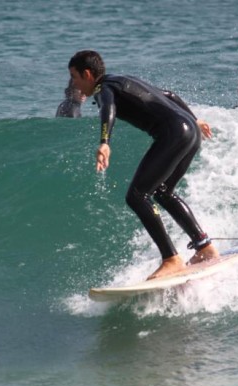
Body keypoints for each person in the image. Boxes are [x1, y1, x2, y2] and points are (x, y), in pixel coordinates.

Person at [67, 50, 219, 280]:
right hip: (189, 130)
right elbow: (170, 95)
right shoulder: (122, 80)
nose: (75, 85)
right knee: (163, 192)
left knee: (136, 196)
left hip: (174, 133)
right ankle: (204, 247)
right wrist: (195, 119)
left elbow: (108, 109)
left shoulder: (102, 89)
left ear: (88, 74)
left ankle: (171, 259)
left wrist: (105, 143)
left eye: (75, 77)